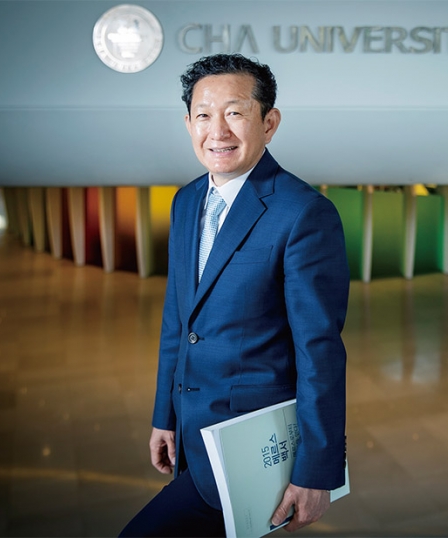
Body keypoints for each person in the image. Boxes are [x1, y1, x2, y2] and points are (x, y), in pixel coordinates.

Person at [120, 53, 349, 537]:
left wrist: (317, 471)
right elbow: (178, 321)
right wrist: (165, 415)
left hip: (250, 445)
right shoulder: (186, 201)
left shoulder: (303, 213)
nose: (217, 131)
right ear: (188, 124)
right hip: (191, 435)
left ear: (269, 122)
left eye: (235, 113)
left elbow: (320, 351)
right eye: (203, 115)